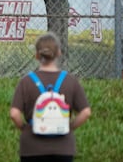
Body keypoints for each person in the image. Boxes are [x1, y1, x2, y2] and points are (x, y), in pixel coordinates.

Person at [10, 33, 91, 161]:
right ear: (59, 53)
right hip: (63, 147)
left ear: (36, 55)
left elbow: (14, 114)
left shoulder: (26, 81)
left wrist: (25, 128)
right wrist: (69, 127)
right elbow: (85, 112)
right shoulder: (70, 81)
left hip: (32, 148)